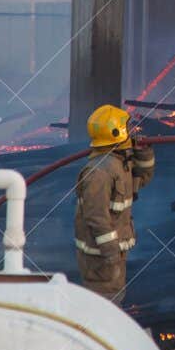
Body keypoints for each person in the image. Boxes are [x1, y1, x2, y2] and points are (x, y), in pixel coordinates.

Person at [73, 104, 155, 300]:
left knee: (113, 298)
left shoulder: (118, 163)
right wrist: (110, 254)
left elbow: (141, 179)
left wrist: (144, 153)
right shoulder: (100, 172)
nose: (132, 131)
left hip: (112, 254)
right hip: (100, 258)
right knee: (105, 304)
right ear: (116, 133)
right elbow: (96, 217)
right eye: (127, 128)